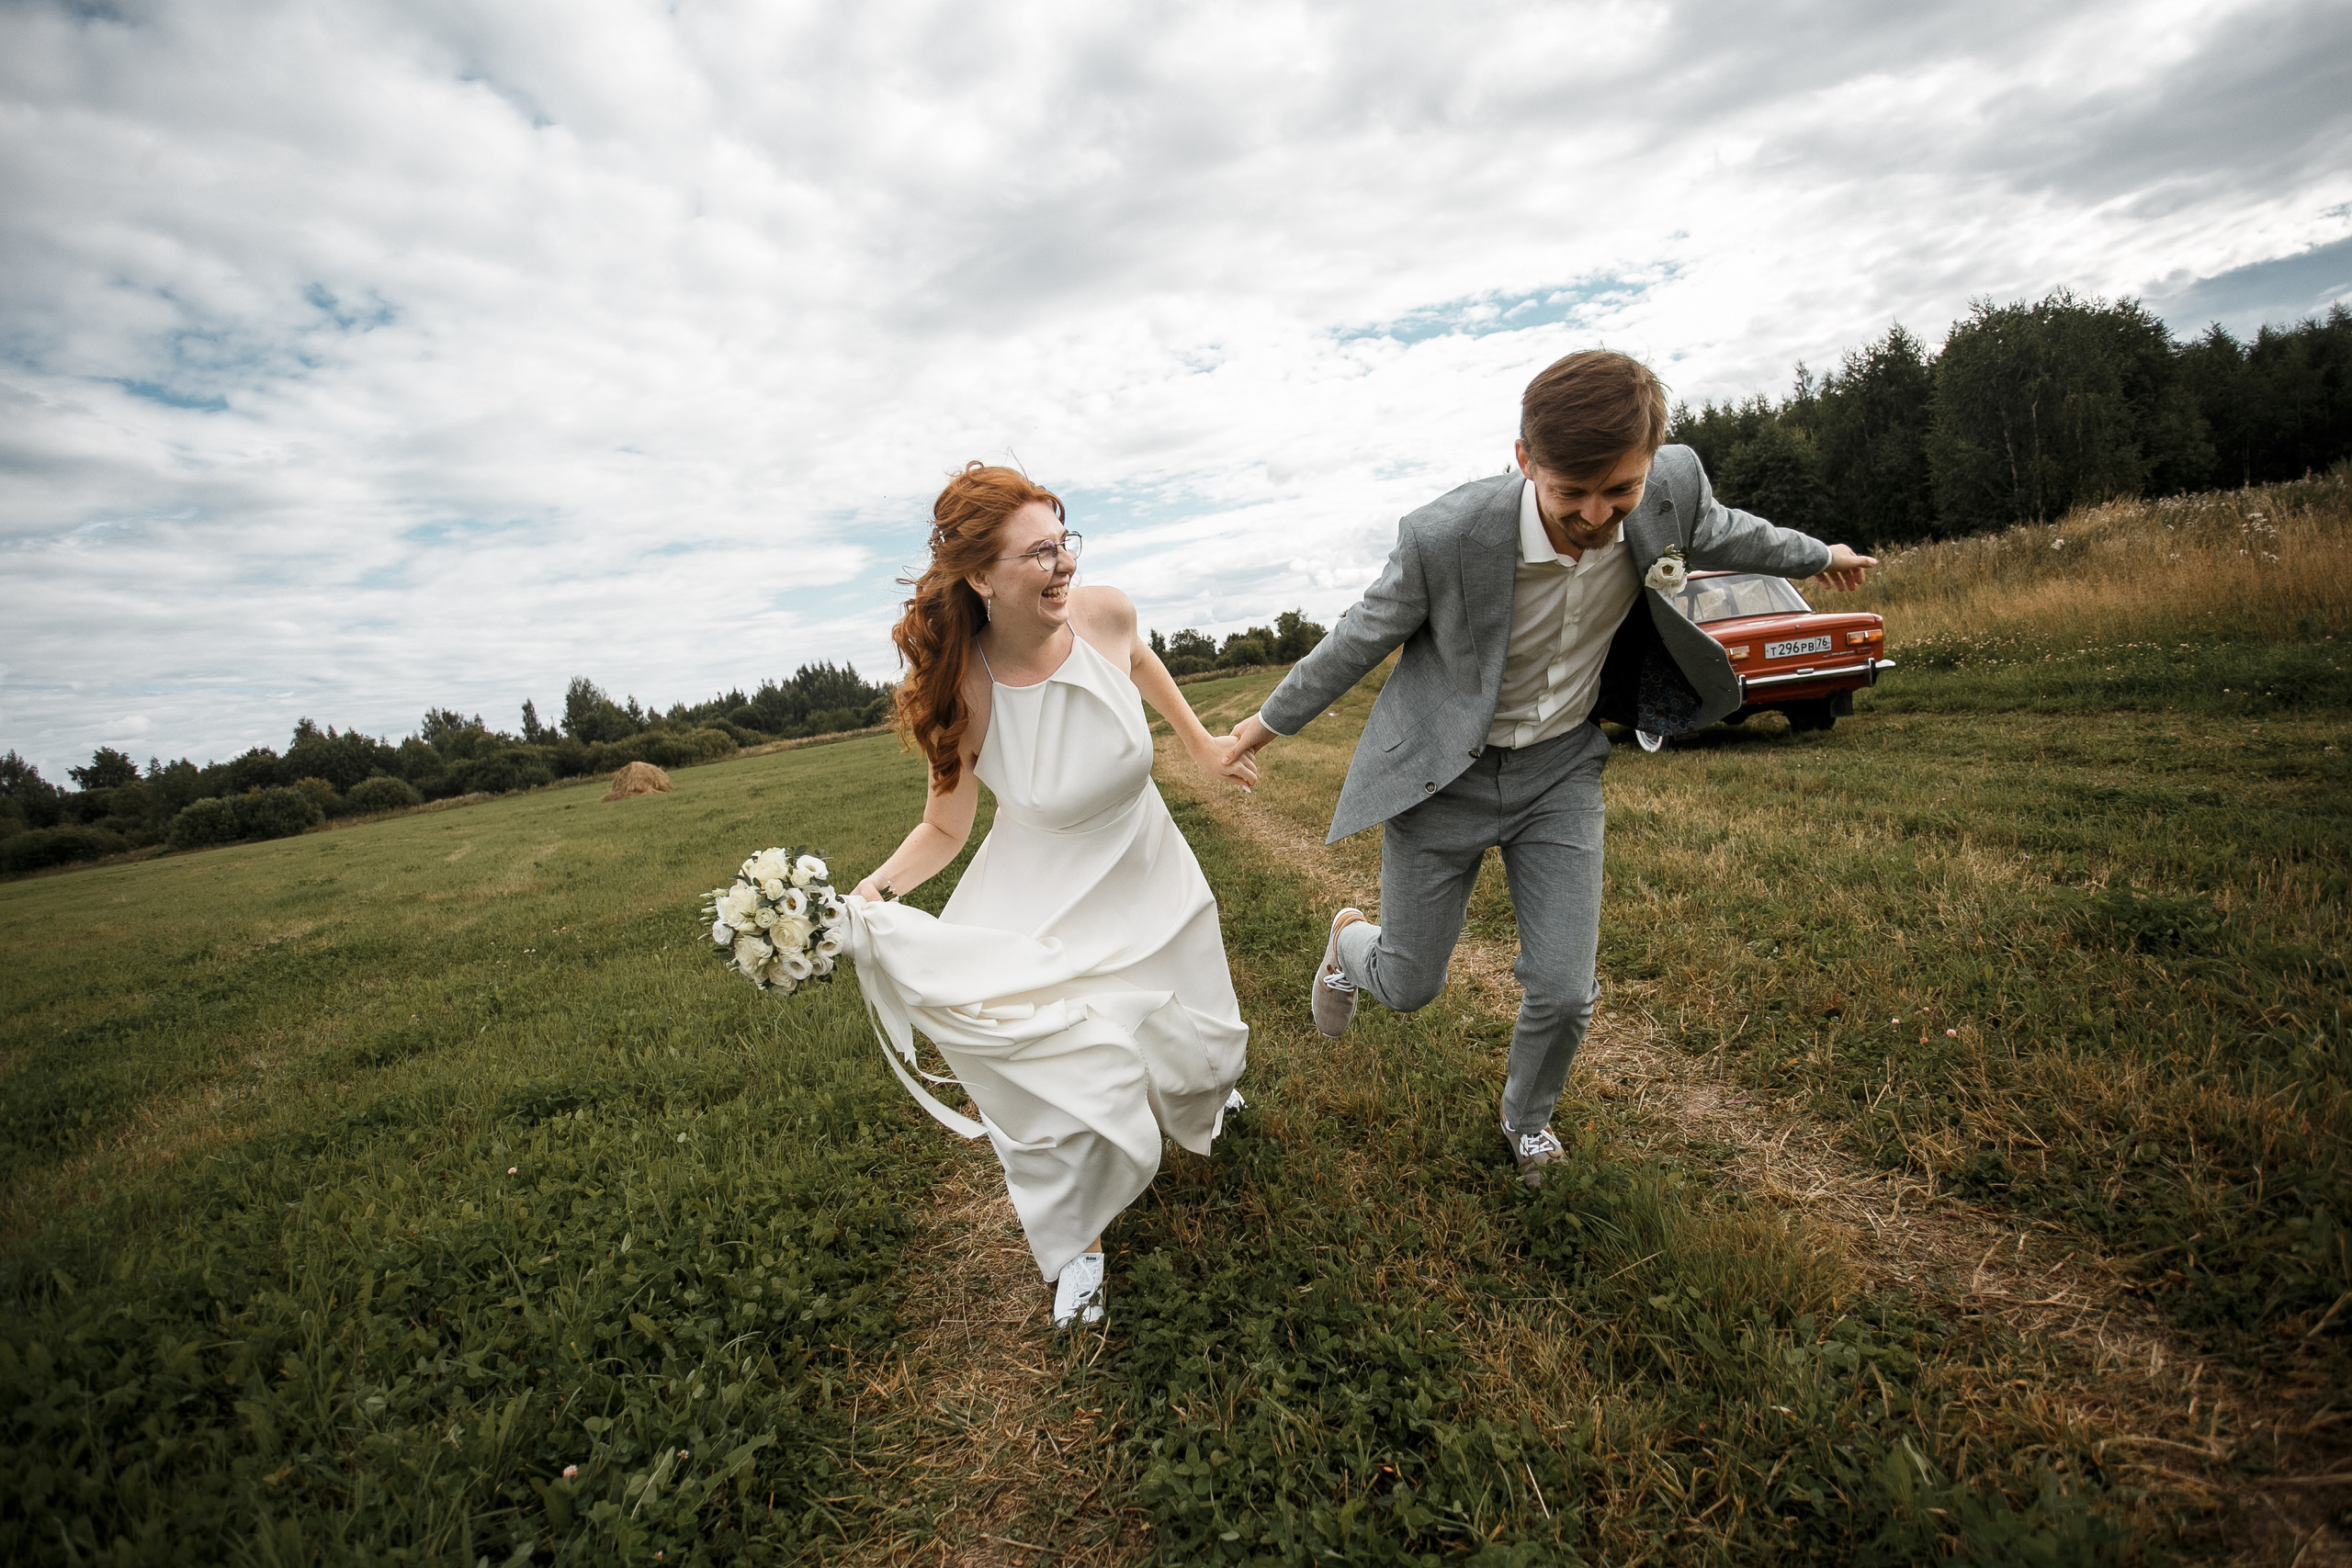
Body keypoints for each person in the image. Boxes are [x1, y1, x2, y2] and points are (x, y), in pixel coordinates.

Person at [1226, 350, 1876, 1186]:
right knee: (1410, 985)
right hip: (1443, 783)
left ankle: (1526, 1121)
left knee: (1566, 989)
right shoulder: (1446, 536)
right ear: (1525, 460)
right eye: (1573, 492)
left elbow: (1729, 530)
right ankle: (1350, 946)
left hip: (1561, 772)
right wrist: (1261, 726)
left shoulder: (1670, 486)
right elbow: (1359, 635)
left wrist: (1818, 550)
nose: (1598, 516)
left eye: (1621, 492)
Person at [842, 462, 1255, 1328]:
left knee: (1204, 1046)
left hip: (1147, 867)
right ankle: (1078, 1243)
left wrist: (1205, 744)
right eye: (1038, 554)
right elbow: (945, 830)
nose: (1063, 564)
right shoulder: (966, 690)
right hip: (1043, 896)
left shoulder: (1104, 612)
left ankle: (1204, 1089)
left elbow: (1140, 661)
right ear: (983, 578)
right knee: (1066, 1075)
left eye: (1063, 540)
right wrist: (868, 895)